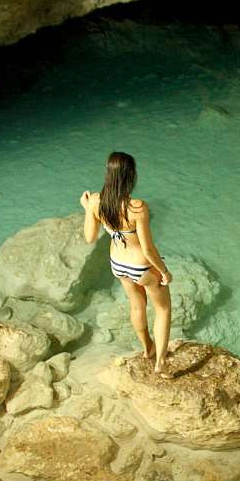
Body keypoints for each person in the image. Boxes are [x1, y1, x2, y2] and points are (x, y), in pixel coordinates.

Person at [80, 151, 174, 378]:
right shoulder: (136, 208)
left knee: (136, 306)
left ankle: (147, 349)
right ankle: (160, 363)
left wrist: (86, 210)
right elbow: (148, 249)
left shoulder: (95, 201)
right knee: (163, 309)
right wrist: (164, 271)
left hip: (118, 264)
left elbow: (90, 238)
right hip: (141, 265)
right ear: (130, 176)